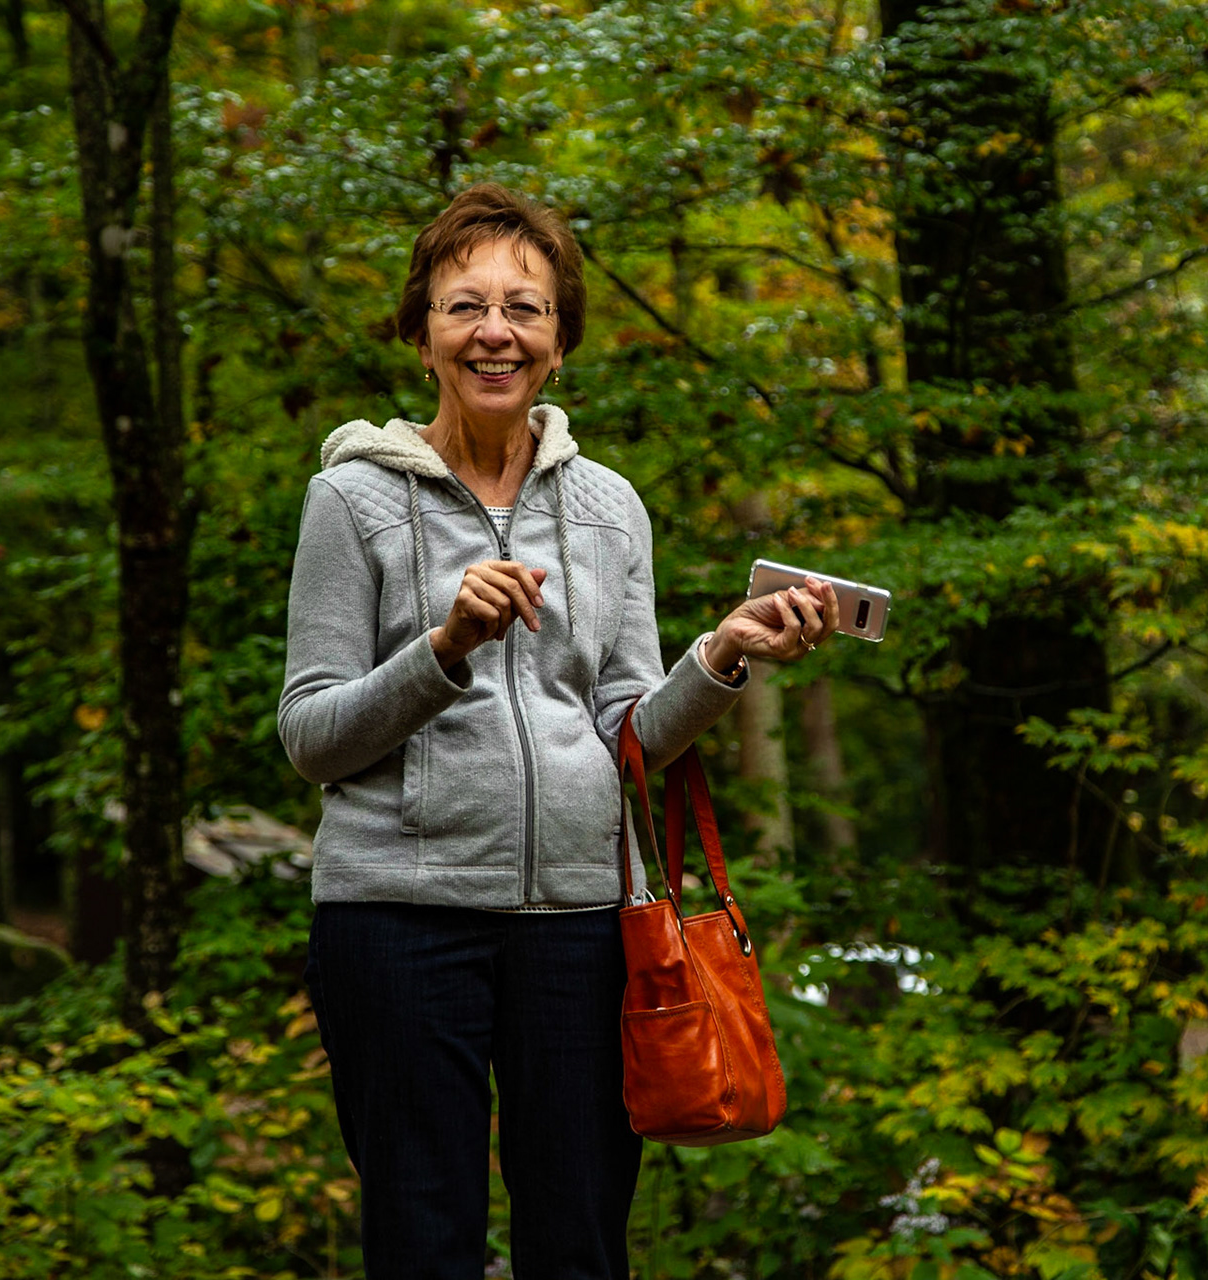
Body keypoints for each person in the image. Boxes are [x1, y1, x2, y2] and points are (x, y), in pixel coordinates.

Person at [277, 182, 839, 1280]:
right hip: (398, 919)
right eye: (466, 306)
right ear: (423, 336)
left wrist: (722, 656)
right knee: (423, 1246)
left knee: (580, 1244)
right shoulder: (349, 500)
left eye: (525, 308)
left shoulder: (609, 507)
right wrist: (444, 647)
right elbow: (311, 736)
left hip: (583, 925)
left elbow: (630, 734)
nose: (496, 331)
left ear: (560, 341)